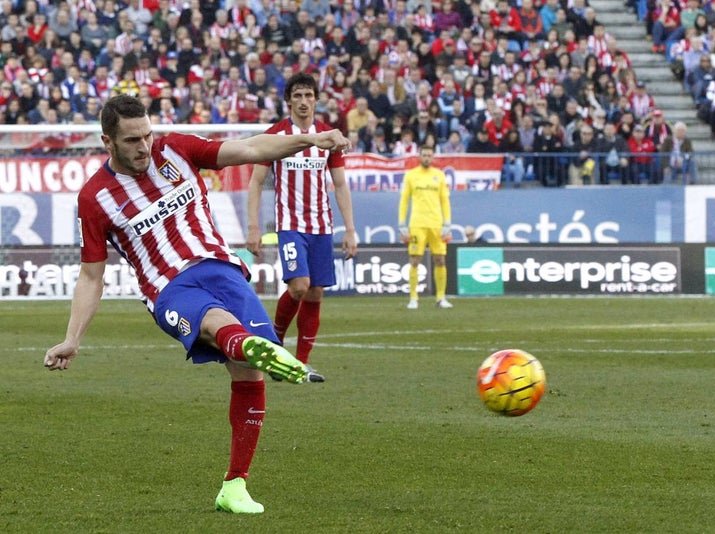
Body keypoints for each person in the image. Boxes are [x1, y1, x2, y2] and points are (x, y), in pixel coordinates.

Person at [44, 94, 352, 514]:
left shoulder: (177, 148)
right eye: (132, 140)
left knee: (249, 372)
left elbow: (252, 148)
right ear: (108, 141)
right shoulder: (95, 198)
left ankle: (234, 486)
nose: (144, 146)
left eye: (148, 135)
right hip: (169, 288)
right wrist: (71, 339)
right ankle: (248, 344)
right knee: (221, 326)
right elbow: (91, 276)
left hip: (223, 270)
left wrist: (313, 139)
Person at [245, 73, 357, 383]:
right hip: (290, 224)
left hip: (321, 225)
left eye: (309, 95)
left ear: (316, 100)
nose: (304, 101)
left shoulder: (329, 137)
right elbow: (255, 182)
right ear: (289, 101)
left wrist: (350, 229)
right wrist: (253, 226)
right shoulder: (277, 135)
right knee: (299, 286)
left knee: (316, 293)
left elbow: (340, 184)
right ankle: (275, 345)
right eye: (298, 96)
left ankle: (301, 364)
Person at [399, 144, 453, 309]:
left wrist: (447, 222)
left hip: (436, 224)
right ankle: (413, 298)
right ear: (419, 156)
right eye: (424, 155)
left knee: (440, 260)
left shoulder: (439, 176)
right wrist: (402, 223)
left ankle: (440, 298)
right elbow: (404, 200)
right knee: (415, 260)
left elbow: (445, 200)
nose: (427, 158)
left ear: (433, 157)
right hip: (417, 224)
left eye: (430, 155)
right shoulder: (411, 176)